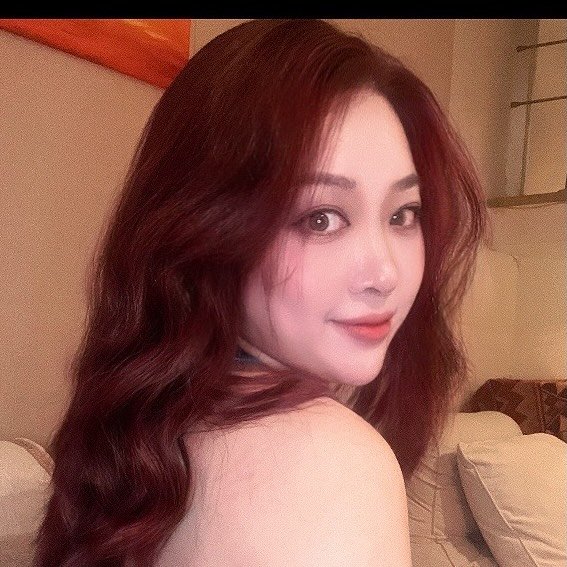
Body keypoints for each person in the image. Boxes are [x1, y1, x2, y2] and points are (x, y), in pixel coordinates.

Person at [34, 18, 486, 566]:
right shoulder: (333, 465)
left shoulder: (149, 430)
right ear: (204, 229)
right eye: (321, 218)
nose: (385, 273)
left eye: (403, 214)